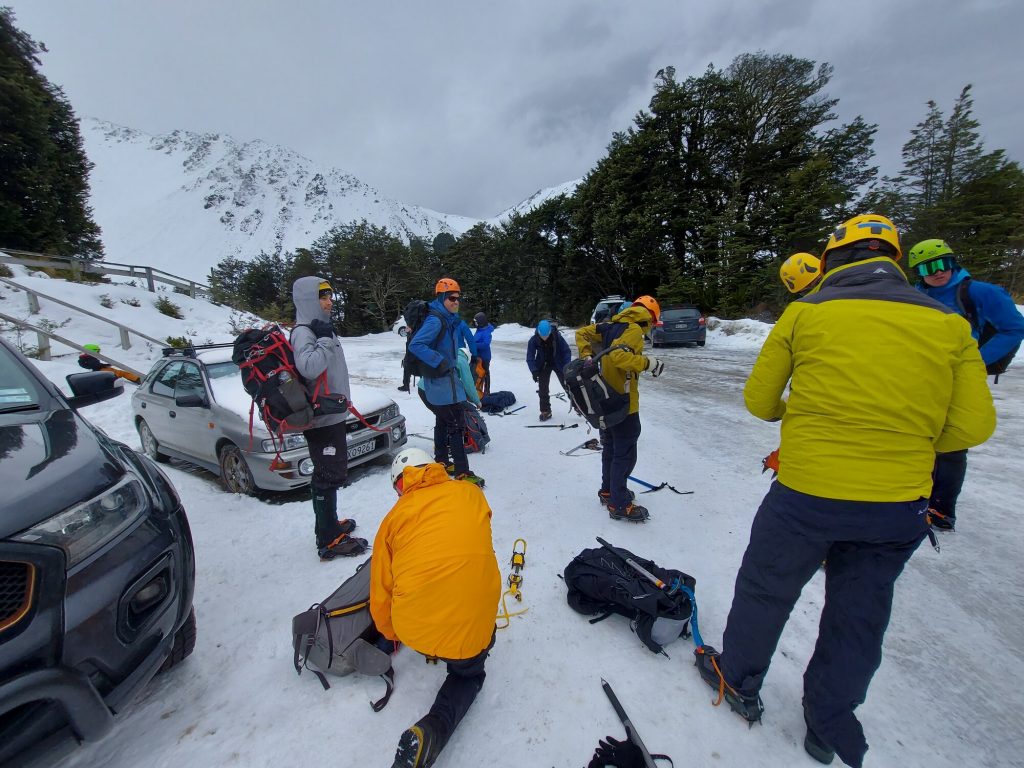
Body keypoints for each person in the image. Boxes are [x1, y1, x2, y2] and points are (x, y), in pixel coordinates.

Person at [694, 214, 995, 768]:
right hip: (895, 505)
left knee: (767, 588)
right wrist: (912, 437)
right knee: (859, 613)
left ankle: (736, 680)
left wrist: (801, 416)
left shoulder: (805, 312)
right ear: (896, 259)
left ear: (831, 260)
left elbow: (760, 402)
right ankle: (828, 723)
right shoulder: (949, 323)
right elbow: (972, 427)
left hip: (806, 492)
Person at [371, 447, 500, 768]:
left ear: (400, 485)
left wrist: (392, 635)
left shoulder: (391, 521)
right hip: (474, 620)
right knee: (469, 672)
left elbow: (381, 594)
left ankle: (431, 644)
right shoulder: (471, 494)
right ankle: (433, 729)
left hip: (414, 628)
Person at [907, 238, 1024, 531]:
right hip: (924, 376)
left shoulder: (980, 292)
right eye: (928, 267)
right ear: (918, 271)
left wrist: (974, 362)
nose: (937, 271)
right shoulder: (914, 295)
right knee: (919, 435)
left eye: (942, 263)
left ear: (952, 261)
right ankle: (915, 495)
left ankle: (941, 510)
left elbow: (1014, 328)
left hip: (959, 379)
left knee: (952, 444)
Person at [291, 277, 367, 561]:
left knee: (331, 474)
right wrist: (322, 338)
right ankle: (328, 540)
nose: (330, 300)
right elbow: (309, 368)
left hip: (332, 414)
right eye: (323, 295)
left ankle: (330, 524)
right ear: (309, 298)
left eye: (331, 295)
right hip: (321, 420)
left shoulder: (318, 328)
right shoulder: (304, 332)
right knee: (326, 476)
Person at [575, 297, 664, 522]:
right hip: (624, 402)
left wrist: (586, 355)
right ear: (651, 317)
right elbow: (618, 356)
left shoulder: (610, 325)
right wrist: (648, 363)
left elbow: (581, 333)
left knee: (611, 448)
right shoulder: (634, 329)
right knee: (625, 454)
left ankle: (609, 491)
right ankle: (620, 503)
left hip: (603, 398)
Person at [408, 278, 484, 486]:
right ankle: (462, 472)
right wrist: (439, 361)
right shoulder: (436, 320)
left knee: (443, 421)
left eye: (458, 298)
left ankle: (441, 460)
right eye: (451, 298)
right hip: (440, 383)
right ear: (442, 298)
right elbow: (417, 345)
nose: (456, 302)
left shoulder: (448, 318)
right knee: (456, 425)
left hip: (444, 383)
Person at [526, 319, 571, 421]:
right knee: (543, 388)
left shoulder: (557, 337)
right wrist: (534, 370)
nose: (545, 338)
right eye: (543, 336)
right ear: (538, 332)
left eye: (546, 336)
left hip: (558, 362)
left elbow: (566, 351)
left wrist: (567, 365)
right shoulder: (533, 340)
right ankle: (545, 410)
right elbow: (530, 357)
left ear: (550, 332)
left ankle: (578, 406)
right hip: (543, 365)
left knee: (567, 384)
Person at [77, 343, 141, 383]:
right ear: (91, 351)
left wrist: (105, 365)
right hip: (102, 372)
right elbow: (95, 366)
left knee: (118, 371)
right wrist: (104, 366)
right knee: (122, 373)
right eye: (97, 351)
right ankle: (137, 379)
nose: (98, 353)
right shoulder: (89, 358)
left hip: (101, 371)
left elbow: (95, 365)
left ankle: (136, 378)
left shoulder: (86, 358)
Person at [472, 312, 494, 396]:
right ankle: (477, 389)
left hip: (485, 357)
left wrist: (474, 345)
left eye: (476, 322)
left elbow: (485, 344)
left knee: (485, 373)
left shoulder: (486, 332)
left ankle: (487, 390)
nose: (475, 324)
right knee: (477, 373)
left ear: (481, 322)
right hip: (478, 356)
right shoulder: (479, 330)